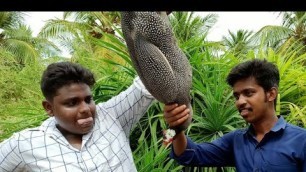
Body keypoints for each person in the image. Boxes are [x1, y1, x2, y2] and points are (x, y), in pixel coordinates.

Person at [0, 61, 155, 171]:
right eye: (72, 103)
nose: (85, 109)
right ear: (49, 108)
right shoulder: (26, 144)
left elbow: (151, 80)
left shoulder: (112, 115)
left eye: (88, 100)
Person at [163, 59, 306, 171]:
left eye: (248, 93)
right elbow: (190, 155)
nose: (240, 102)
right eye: (237, 96)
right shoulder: (236, 140)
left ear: (271, 94)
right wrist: (174, 127)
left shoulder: (301, 141)